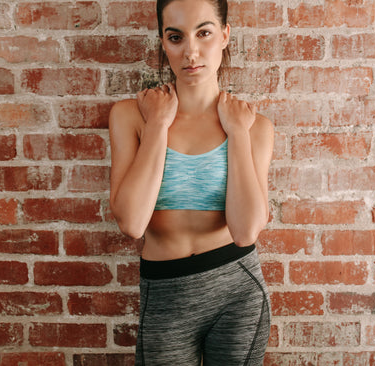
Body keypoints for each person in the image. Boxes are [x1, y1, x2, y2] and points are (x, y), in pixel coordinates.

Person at [109, 0, 274, 364]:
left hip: (238, 292)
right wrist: (157, 125)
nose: (191, 52)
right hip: (165, 293)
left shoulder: (255, 126)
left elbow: (246, 231)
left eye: (204, 32)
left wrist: (237, 132)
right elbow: (132, 223)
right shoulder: (130, 117)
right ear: (163, 42)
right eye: (176, 37)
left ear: (225, 35)